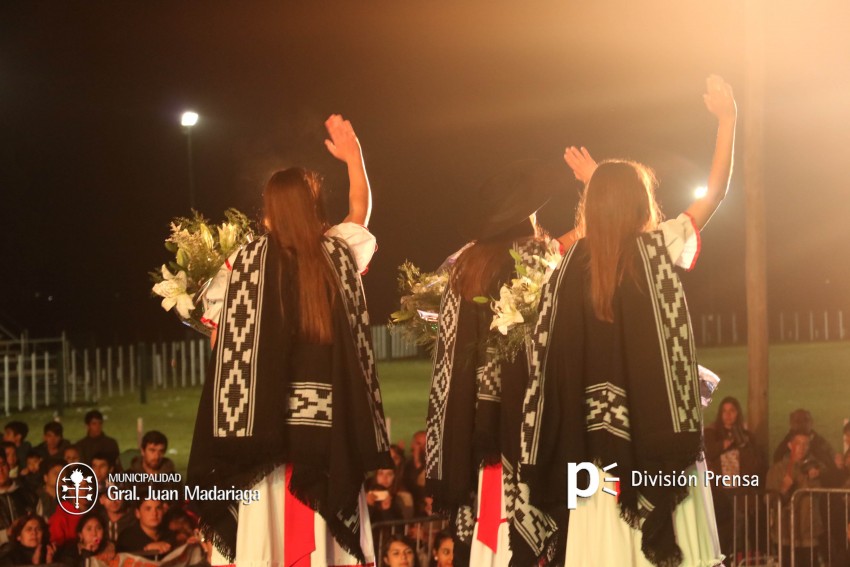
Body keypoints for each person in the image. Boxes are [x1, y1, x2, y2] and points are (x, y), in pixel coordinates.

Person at [517, 75, 736, 567]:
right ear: (643, 204)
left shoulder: (569, 264)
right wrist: (728, 121)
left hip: (596, 457)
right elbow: (716, 192)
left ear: (591, 205)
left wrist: (598, 181)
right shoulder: (658, 248)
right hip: (662, 452)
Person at [188, 114, 392, 566]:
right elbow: (360, 211)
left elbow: (220, 349)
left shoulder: (242, 266)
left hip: (261, 445)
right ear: (313, 206)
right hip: (327, 443)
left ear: (268, 212)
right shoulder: (336, 255)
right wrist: (354, 157)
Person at [426, 156, 579, 567]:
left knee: (485, 544)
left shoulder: (467, 267)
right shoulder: (533, 261)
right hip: (524, 432)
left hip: (476, 434)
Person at [704, 397, 764, 563]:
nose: (728, 415)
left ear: (737, 413)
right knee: (719, 533)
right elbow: (705, 453)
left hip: (739, 493)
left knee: (739, 534)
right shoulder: (711, 433)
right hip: (719, 493)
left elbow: (756, 464)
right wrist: (722, 445)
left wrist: (743, 445)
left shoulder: (746, 437)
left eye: (732, 411)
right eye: (725, 411)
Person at [766, 433, 823, 567]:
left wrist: (815, 477)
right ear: (790, 445)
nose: (802, 447)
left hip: (809, 530)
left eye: (806, 444)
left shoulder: (815, 468)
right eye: (798, 443)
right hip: (785, 530)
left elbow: (819, 493)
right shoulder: (777, 469)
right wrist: (783, 490)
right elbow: (768, 499)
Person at [0, 452, 32, 546]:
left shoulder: (29, 495)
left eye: (3, 464)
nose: (0, 470)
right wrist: (6, 534)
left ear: (9, 466)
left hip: (27, 555)